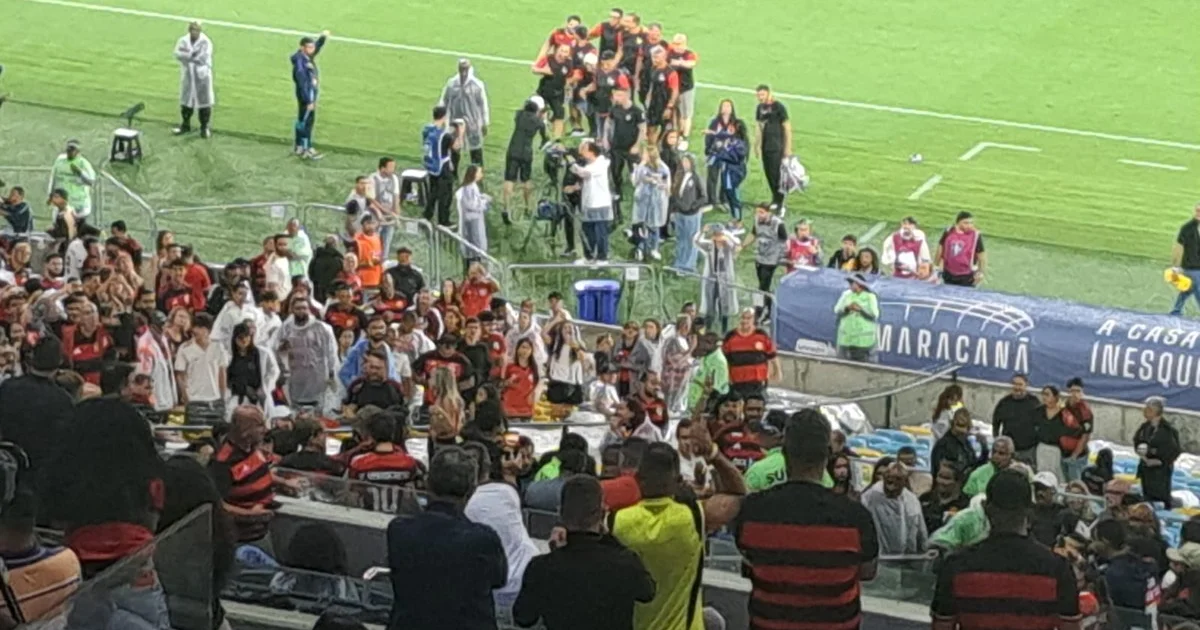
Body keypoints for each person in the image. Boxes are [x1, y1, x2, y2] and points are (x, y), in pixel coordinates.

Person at [734, 408, 879, 629]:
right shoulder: (855, 517)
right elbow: (868, 572)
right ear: (828, 454)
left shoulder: (754, 510)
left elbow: (750, 561)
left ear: (784, 452)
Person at [930, 470, 1080, 630]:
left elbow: (942, 626)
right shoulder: (1058, 569)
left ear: (986, 508)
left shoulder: (955, 566)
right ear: (1030, 511)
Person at [387, 446, 507, 630]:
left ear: (428, 483)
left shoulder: (399, 530)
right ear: (472, 490)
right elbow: (499, 580)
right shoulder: (482, 539)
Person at [514, 476, 655, 630]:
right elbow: (648, 593)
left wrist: (555, 554)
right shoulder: (625, 561)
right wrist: (610, 538)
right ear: (602, 513)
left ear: (560, 513)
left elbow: (524, 618)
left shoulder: (541, 567)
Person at [609, 443, 708, 630]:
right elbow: (736, 495)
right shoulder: (694, 517)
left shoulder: (616, 522)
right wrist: (713, 453)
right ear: (678, 480)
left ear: (638, 477)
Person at [464, 443, 538, 619]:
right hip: (522, 580)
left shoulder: (460, 503)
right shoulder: (504, 491)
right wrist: (509, 473)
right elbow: (511, 490)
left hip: (483, 589)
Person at [348, 412, 424, 513]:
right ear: (393, 433)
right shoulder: (409, 462)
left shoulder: (359, 463)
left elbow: (351, 490)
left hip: (366, 519)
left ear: (370, 435)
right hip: (399, 518)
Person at [278, 296, 339, 410]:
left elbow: (331, 352)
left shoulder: (322, 328)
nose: (301, 311)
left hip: (317, 377)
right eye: (298, 308)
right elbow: (279, 351)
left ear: (309, 309)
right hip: (296, 377)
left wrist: (332, 373)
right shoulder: (285, 329)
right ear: (292, 310)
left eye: (304, 308)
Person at [862, 461, 928, 554]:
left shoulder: (911, 500)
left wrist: (923, 552)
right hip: (880, 557)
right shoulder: (872, 496)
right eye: (889, 478)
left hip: (907, 558)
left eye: (898, 479)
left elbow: (921, 531)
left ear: (904, 481)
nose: (893, 482)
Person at [175, 312, 228, 426]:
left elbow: (222, 373)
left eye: (200, 327)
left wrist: (222, 397)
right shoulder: (185, 348)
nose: (196, 330)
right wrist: (186, 397)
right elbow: (180, 375)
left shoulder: (218, 347)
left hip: (214, 399)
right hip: (194, 400)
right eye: (195, 327)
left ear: (208, 330)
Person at [502, 97, 548, 222]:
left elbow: (521, 110)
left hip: (513, 149)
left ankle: (506, 208)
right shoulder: (539, 122)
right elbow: (545, 138)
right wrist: (543, 118)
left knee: (509, 179)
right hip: (526, 152)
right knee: (526, 180)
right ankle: (528, 207)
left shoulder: (519, 115)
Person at [438, 59, 490, 169]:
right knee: (455, 148)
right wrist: (441, 119)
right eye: (462, 69)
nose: (464, 72)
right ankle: (454, 173)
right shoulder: (452, 83)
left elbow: (483, 105)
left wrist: (485, 123)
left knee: (475, 149)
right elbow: (444, 100)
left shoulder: (477, 85)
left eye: (465, 69)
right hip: (456, 122)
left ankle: (478, 174)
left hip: (473, 122)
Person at [568, 140, 614, 264]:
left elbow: (583, 173)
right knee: (587, 231)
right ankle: (588, 257)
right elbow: (580, 171)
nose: (581, 153)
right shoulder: (589, 165)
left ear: (591, 152)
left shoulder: (601, 164)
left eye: (584, 150)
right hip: (588, 204)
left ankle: (602, 257)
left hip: (600, 204)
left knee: (600, 232)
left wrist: (572, 162)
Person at [739, 204, 787, 320]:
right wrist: (743, 245)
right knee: (764, 287)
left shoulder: (778, 223)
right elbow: (753, 234)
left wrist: (781, 258)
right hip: (760, 258)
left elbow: (784, 241)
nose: (758, 215)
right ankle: (770, 310)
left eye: (761, 212)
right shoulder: (757, 220)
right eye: (757, 212)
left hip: (771, 260)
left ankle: (758, 312)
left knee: (761, 287)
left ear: (768, 213)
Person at [606, 88, 646, 225]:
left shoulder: (636, 111)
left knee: (635, 171)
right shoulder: (614, 109)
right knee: (615, 170)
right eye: (615, 95)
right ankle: (618, 192)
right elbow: (609, 122)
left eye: (619, 95)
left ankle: (640, 192)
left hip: (631, 147)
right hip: (617, 145)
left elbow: (642, 129)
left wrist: (637, 145)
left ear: (627, 95)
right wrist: (606, 138)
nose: (617, 97)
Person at [226, 322, 280, 419]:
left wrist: (265, 387)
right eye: (240, 337)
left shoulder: (262, 353)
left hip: (258, 397)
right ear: (234, 339)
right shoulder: (230, 357)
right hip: (237, 398)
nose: (244, 340)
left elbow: (274, 371)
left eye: (246, 336)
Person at [1134, 396, 1181, 506]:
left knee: (1159, 499)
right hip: (1146, 470)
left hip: (1160, 473)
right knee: (1147, 497)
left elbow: (1174, 450)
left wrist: (1160, 461)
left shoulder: (1168, 430)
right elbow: (1137, 441)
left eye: (1148, 409)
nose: (1144, 411)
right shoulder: (1144, 428)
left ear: (1155, 411)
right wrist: (1143, 456)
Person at [722, 307, 778, 398]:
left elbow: (772, 355)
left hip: (758, 383)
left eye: (748, 318)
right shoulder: (730, 336)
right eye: (743, 317)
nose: (745, 321)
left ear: (754, 320)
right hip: (736, 383)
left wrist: (777, 372)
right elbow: (724, 359)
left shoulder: (761, 335)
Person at [423, 106, 464, 227]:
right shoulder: (444, 135)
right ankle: (443, 220)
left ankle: (427, 215)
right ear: (444, 117)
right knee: (445, 195)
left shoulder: (427, 129)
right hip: (442, 167)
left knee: (433, 191)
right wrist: (460, 133)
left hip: (431, 165)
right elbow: (457, 147)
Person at [172, 21, 215, 137]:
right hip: (188, 75)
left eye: (196, 30)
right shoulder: (183, 40)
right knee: (186, 101)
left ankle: (204, 128)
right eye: (192, 30)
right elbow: (177, 54)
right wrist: (190, 56)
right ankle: (185, 125)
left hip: (202, 77)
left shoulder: (206, 42)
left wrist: (188, 56)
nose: (194, 32)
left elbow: (203, 58)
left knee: (204, 103)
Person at [290, 31, 329, 159]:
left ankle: (299, 147)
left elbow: (316, 47)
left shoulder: (306, 57)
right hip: (306, 97)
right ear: (302, 48)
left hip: (309, 95)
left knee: (303, 120)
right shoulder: (300, 64)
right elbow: (302, 84)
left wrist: (322, 38)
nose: (313, 49)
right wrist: (309, 101)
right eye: (310, 47)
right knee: (306, 121)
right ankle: (306, 148)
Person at [753, 84, 792, 209]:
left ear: (769, 93)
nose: (760, 98)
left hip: (776, 146)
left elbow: (787, 128)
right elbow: (759, 127)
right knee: (768, 173)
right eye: (758, 95)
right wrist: (756, 145)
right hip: (766, 146)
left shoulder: (778, 107)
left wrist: (787, 148)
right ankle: (775, 198)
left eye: (762, 94)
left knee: (776, 174)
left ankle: (780, 201)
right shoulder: (759, 108)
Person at [669, 153, 707, 273]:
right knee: (681, 239)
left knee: (691, 240)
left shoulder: (696, 178)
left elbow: (704, 197)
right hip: (680, 213)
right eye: (683, 161)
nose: (685, 164)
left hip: (691, 215)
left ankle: (689, 266)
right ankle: (679, 262)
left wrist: (693, 206)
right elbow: (675, 195)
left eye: (687, 162)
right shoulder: (680, 176)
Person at [697, 225, 740, 331]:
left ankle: (724, 327)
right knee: (710, 300)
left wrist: (728, 235)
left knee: (724, 302)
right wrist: (702, 232)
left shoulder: (728, 246)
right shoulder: (709, 245)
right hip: (712, 277)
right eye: (716, 236)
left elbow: (737, 244)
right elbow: (697, 242)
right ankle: (708, 326)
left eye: (720, 235)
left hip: (725, 277)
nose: (719, 239)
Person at [631, 147, 671, 261]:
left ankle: (654, 248)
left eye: (645, 154)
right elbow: (635, 181)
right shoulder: (641, 167)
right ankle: (641, 248)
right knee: (640, 226)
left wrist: (656, 182)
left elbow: (666, 186)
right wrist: (639, 169)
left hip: (656, 202)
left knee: (654, 226)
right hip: (642, 201)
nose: (643, 156)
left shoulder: (663, 168)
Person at [706, 113, 749, 222]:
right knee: (730, 195)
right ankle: (735, 218)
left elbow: (733, 157)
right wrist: (713, 133)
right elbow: (722, 135)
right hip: (728, 172)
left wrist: (720, 151)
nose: (728, 128)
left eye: (731, 127)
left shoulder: (740, 144)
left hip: (733, 173)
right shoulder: (731, 138)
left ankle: (738, 220)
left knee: (733, 196)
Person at [992, 373, 1040, 465]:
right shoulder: (1004, 402)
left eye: (1020, 384)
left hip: (1028, 451)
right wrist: (997, 441)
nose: (1017, 387)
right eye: (1015, 384)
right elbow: (996, 423)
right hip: (1008, 452)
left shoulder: (1034, 402)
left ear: (1026, 385)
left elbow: (1041, 423)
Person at [833, 272, 879, 362]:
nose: (849, 285)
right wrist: (847, 308)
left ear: (859, 284)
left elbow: (874, 314)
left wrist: (861, 309)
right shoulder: (846, 295)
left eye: (851, 283)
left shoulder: (870, 297)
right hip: (845, 339)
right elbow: (837, 310)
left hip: (862, 342)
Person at [935, 210, 987, 287]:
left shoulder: (975, 235)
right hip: (948, 273)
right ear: (958, 223)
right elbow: (940, 247)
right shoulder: (949, 231)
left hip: (967, 275)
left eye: (971, 223)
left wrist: (981, 272)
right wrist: (936, 266)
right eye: (966, 223)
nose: (969, 225)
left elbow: (981, 255)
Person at [931, 408, 986, 479]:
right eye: (959, 425)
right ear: (953, 424)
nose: (962, 430)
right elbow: (940, 470)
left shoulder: (965, 442)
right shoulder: (944, 444)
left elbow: (973, 464)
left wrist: (984, 449)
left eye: (964, 426)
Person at [50, 140, 96, 222]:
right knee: (59, 226)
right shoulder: (60, 160)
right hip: (63, 203)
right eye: (68, 150)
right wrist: (51, 194)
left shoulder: (83, 163)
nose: (69, 152)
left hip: (79, 204)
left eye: (72, 150)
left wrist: (80, 172)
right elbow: (53, 177)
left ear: (78, 151)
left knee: (76, 228)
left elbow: (91, 181)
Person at [456, 164, 492, 268]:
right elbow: (471, 204)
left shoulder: (472, 187)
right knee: (474, 248)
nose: (482, 174)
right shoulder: (468, 188)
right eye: (480, 172)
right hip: (471, 223)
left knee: (475, 248)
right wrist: (484, 203)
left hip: (474, 221)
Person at [921, 461, 971, 534]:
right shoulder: (925, 498)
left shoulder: (965, 504)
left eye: (947, 478)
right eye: (940, 476)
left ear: (958, 482)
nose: (941, 481)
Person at [666, 33, 699, 144]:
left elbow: (691, 63)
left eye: (678, 44)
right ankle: (677, 134)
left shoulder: (689, 54)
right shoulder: (670, 53)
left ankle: (685, 137)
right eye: (675, 43)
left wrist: (679, 62)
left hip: (686, 88)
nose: (676, 46)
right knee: (676, 112)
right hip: (674, 88)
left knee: (686, 114)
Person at [1034, 385, 1070, 485]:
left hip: (1057, 450)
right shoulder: (1038, 411)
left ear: (1055, 397)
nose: (1044, 397)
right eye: (1043, 394)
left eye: (1047, 394)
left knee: (1056, 476)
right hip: (1041, 448)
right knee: (1041, 475)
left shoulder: (1064, 413)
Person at [1061, 377, 1093, 483]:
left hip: (1077, 457)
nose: (1075, 394)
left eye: (1078, 391)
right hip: (1063, 453)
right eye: (1072, 391)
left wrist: (1075, 455)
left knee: (1076, 486)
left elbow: (1085, 436)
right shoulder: (1064, 406)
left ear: (1082, 392)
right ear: (1068, 392)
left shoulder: (1085, 411)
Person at [1171, 203, 1200, 315]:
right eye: (1197, 211)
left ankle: (1176, 311)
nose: (1198, 213)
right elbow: (1179, 248)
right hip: (1191, 266)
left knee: (1187, 289)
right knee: (1198, 289)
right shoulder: (1187, 228)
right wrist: (1175, 266)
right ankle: (1176, 310)